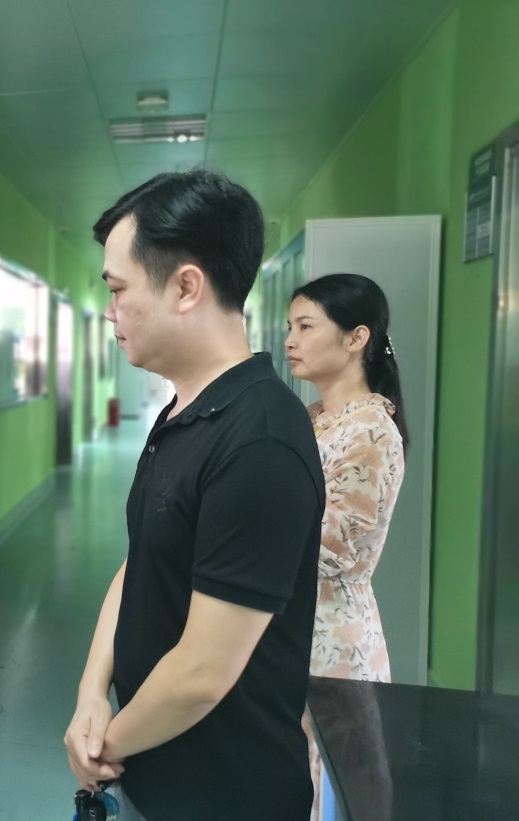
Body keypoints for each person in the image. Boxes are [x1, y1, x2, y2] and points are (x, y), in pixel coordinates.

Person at [63, 169, 326, 820]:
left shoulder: (260, 441)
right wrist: (91, 691)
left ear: (185, 287)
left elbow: (204, 672)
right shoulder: (185, 412)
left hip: (226, 795)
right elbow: (141, 560)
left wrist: (101, 749)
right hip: (154, 770)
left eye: (118, 289)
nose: (110, 311)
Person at [285, 272, 407, 817]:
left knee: (329, 789)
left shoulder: (371, 431)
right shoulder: (315, 418)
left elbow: (332, 547)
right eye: (291, 327)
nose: (290, 340)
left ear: (357, 338)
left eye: (306, 326)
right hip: (294, 627)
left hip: (333, 643)